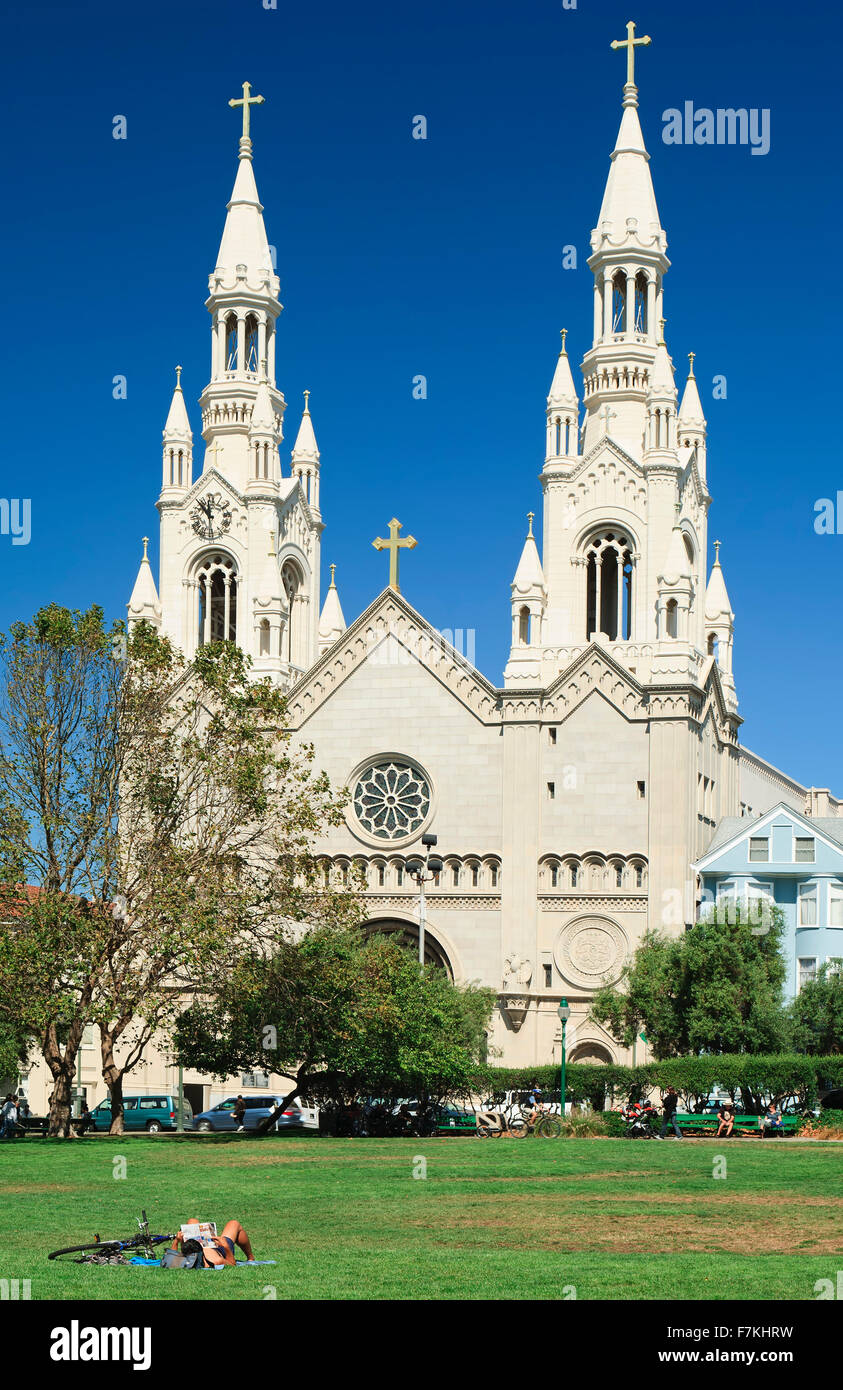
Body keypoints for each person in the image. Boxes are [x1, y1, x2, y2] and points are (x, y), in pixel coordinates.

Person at [170, 1217, 254, 1268]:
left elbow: (171, 1258)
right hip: (220, 1249)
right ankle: (250, 1258)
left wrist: (177, 1241)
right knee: (234, 1223)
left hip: (202, 1249)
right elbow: (232, 1264)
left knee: (192, 1221)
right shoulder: (215, 1260)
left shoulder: (184, 1259)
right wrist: (225, 1246)